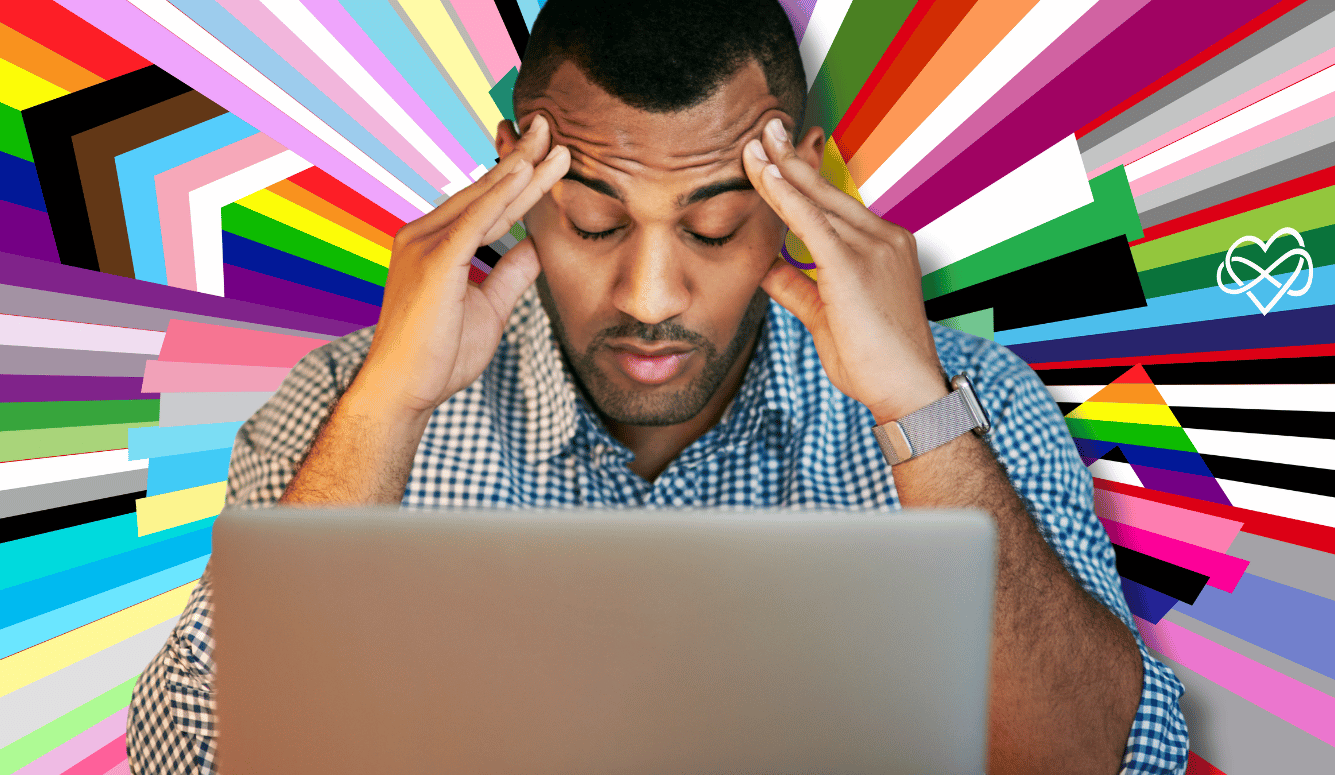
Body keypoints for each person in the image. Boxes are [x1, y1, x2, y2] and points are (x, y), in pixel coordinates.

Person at [126, 1, 1189, 772]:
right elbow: (194, 759)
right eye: (593, 221)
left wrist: (917, 409)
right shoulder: (343, 403)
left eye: (715, 224)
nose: (650, 293)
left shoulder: (971, 404)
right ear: (513, 179)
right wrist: (386, 411)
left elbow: (1108, 760)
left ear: (803, 188)